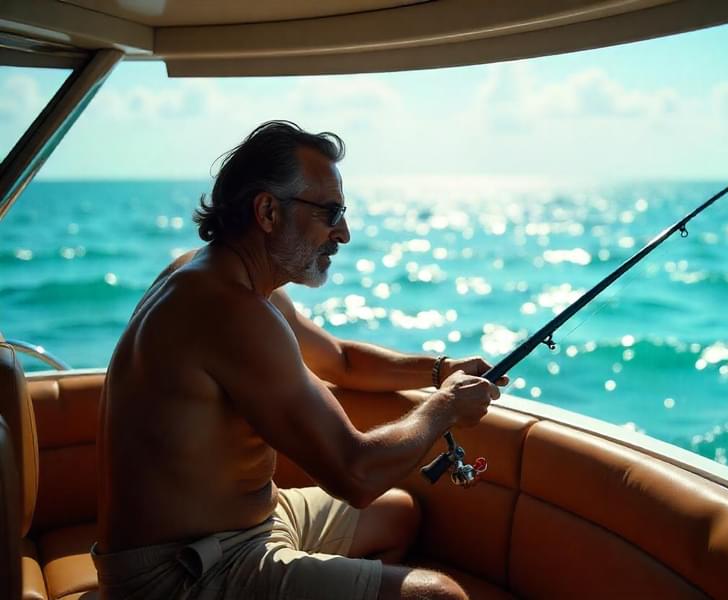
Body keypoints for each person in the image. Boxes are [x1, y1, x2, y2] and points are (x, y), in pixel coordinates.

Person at [93, 120, 506, 600]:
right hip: (183, 572)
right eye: (330, 212)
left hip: (254, 524)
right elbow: (355, 473)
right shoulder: (230, 312)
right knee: (441, 597)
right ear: (267, 211)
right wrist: (446, 407)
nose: (344, 233)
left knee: (399, 513)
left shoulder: (221, 274)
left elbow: (342, 361)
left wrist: (439, 371)